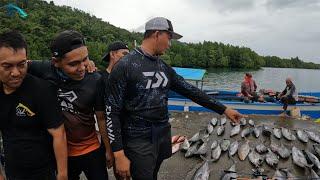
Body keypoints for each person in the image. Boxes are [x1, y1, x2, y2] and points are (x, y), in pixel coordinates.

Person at [106, 17, 244, 180]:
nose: (170, 44)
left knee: (154, 174)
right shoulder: (125, 66)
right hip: (137, 140)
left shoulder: (163, 67)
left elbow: (191, 91)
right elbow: (111, 112)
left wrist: (224, 109)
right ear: (157, 34)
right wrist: (118, 153)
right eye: (169, 38)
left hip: (162, 134)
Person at [27, 30, 113, 180]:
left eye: (85, 59)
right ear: (56, 62)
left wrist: (108, 149)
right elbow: (17, 65)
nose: (81, 68)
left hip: (92, 149)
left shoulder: (96, 80)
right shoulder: (45, 69)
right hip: (61, 154)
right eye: (73, 64)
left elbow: (101, 118)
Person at [0, 31, 67, 180]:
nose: (16, 73)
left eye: (21, 65)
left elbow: (58, 134)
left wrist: (62, 174)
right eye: (7, 66)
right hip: (12, 169)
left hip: (43, 170)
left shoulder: (42, 90)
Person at [100, 41, 129, 180]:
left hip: (131, 135)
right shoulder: (100, 79)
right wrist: (108, 148)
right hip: (113, 135)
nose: (127, 58)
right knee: (122, 175)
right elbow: (102, 116)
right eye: (124, 54)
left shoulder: (128, 77)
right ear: (112, 54)